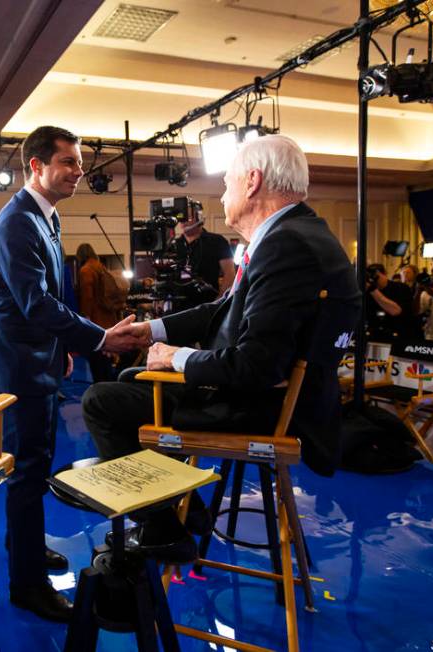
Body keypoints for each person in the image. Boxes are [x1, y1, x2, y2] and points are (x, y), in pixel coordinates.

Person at [81, 135, 360, 561]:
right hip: (277, 396)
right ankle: (185, 516)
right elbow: (223, 308)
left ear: (252, 182)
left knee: (102, 399)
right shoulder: (296, 233)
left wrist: (176, 357)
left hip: (264, 405)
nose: (222, 194)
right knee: (128, 380)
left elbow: (255, 365)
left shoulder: (286, 245)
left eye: (226, 184)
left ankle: (162, 529)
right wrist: (151, 330)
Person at [0, 125, 148, 622]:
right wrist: (98, 338)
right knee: (28, 470)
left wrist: (61, 348)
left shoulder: (43, 216)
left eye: (78, 162)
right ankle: (27, 585)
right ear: (36, 166)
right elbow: (35, 303)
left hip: (37, 355)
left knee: (35, 463)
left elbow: (46, 300)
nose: (78, 171)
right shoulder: (17, 223)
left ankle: (22, 547)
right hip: (16, 364)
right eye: (68, 162)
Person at [165, 210, 235, 309]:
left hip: (207, 305)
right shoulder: (174, 245)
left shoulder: (217, 241)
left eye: (187, 217)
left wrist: (219, 300)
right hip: (177, 307)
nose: (183, 221)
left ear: (199, 218)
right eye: (181, 218)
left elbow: (230, 273)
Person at [75, 243, 122, 382]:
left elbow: (87, 296)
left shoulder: (85, 270)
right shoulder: (101, 267)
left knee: (96, 359)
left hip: (95, 319)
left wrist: (85, 316)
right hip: (108, 317)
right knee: (106, 358)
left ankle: (101, 388)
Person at [364, 263, 416, 342]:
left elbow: (396, 311)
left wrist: (372, 289)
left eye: (376, 276)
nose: (374, 279)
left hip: (398, 337)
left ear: (384, 274)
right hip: (374, 336)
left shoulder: (401, 288)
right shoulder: (367, 293)